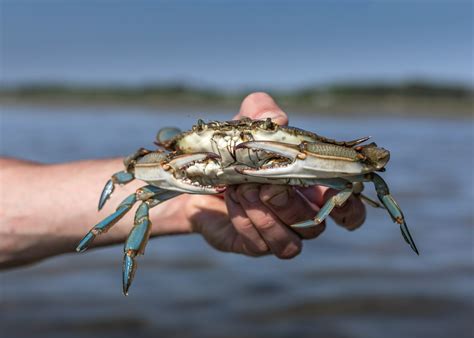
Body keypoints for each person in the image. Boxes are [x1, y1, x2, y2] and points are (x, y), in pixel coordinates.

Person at [0, 92, 366, 268]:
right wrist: (184, 195)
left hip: (298, 168)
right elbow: (136, 177)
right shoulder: (176, 152)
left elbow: (366, 166)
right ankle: (125, 250)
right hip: (184, 173)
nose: (229, 147)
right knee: (140, 199)